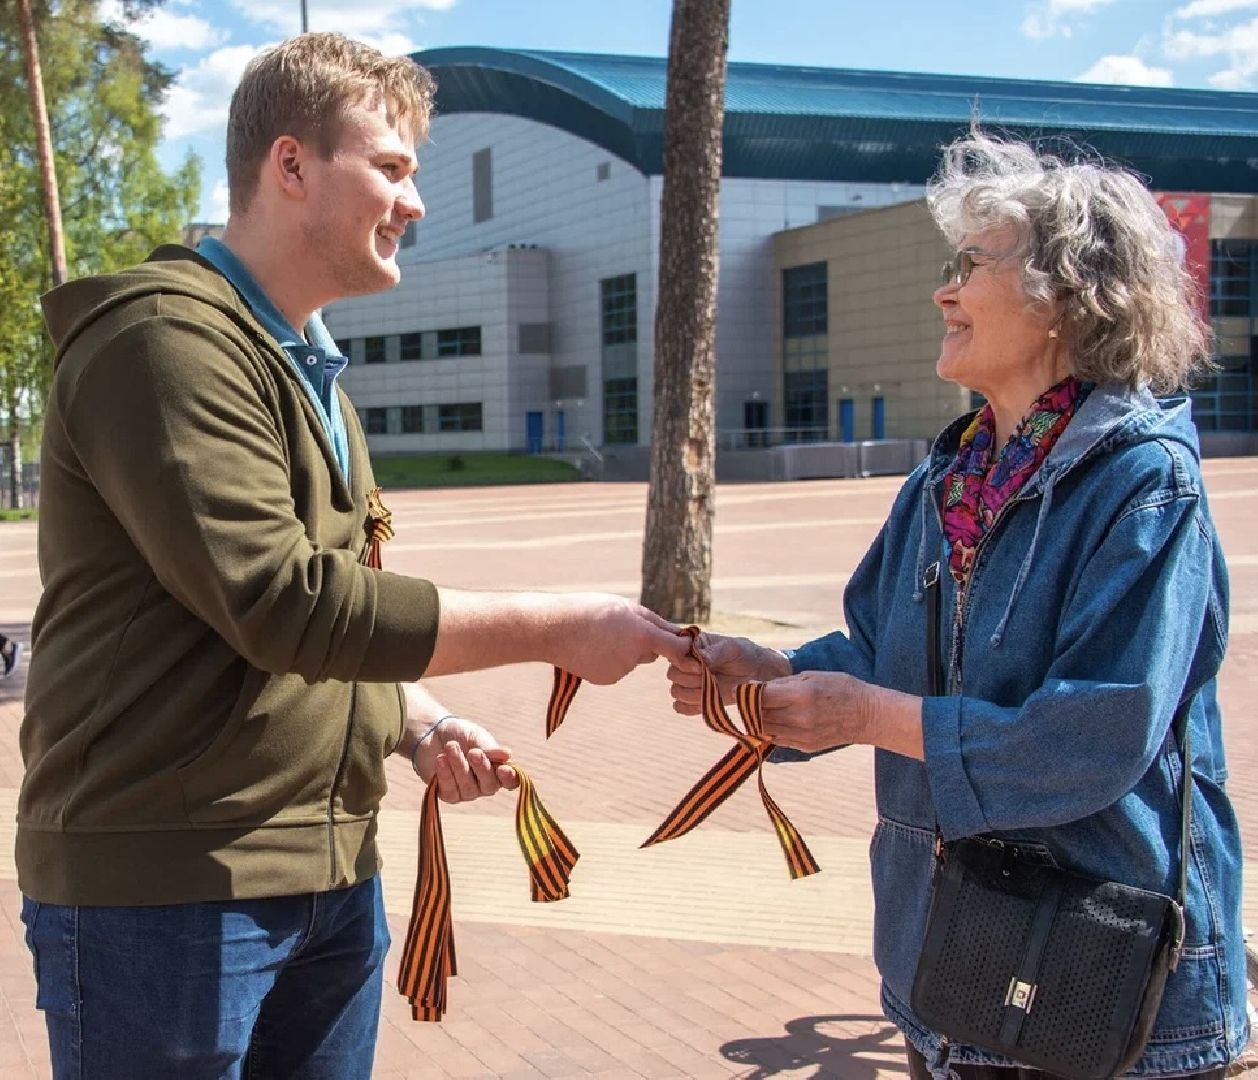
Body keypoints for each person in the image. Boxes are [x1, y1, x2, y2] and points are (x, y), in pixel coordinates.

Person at [18, 32, 686, 1080]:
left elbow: (328, 618)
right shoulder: (163, 342)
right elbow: (286, 604)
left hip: (328, 876)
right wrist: (556, 626)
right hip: (171, 897)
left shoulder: (308, 372)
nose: (414, 203)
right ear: (291, 166)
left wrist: (418, 727)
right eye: (391, 167)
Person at [668, 132, 1247, 1078]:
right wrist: (769, 681)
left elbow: (1094, 735)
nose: (945, 291)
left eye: (973, 266)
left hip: (1099, 969)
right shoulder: (948, 475)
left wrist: (863, 714)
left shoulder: (1145, 484)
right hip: (954, 958)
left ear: (1065, 296)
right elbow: (879, 653)